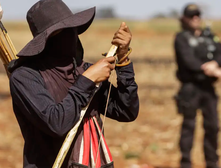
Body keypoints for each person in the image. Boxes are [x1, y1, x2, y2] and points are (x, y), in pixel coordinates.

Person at [8, 0, 139, 168]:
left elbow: (127, 111)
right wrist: (86, 82)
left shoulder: (84, 69)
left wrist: (123, 60)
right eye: (61, 32)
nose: (70, 36)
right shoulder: (25, 77)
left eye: (72, 29)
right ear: (46, 40)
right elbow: (57, 124)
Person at [174, 4, 221, 168]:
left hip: (208, 88)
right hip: (190, 87)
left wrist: (216, 63)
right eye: (191, 16)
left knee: (213, 125)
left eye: (197, 15)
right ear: (184, 19)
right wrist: (209, 69)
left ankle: (212, 162)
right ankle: (186, 162)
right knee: (189, 125)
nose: (195, 19)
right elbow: (188, 60)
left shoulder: (209, 36)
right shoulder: (181, 38)